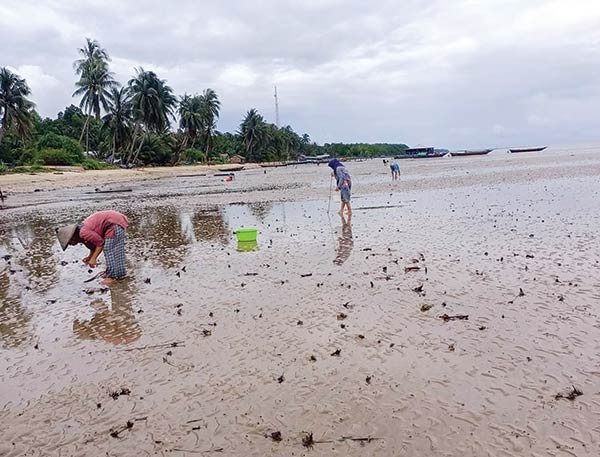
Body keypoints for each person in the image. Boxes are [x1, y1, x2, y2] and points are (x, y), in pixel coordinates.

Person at [57, 210, 129, 285]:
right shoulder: (82, 233)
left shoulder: (83, 233)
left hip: (114, 222)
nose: (71, 245)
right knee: (116, 250)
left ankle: (112, 276)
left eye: (70, 243)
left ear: (72, 237)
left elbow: (100, 243)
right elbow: (94, 246)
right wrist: (90, 257)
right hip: (114, 221)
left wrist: (94, 258)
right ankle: (118, 274)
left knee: (109, 249)